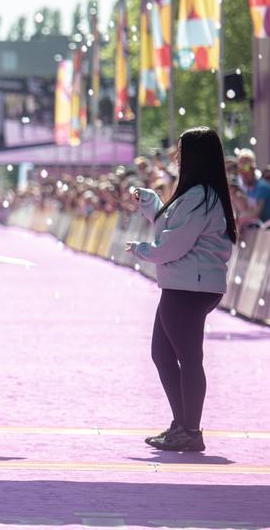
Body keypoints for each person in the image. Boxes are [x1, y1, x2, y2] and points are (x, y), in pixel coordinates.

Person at [126, 127, 237, 452]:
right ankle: (182, 425)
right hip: (184, 284)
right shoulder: (197, 195)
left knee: (188, 358)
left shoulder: (200, 196)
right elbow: (171, 226)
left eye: (181, 150)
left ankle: (190, 429)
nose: (176, 156)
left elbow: (172, 243)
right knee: (162, 354)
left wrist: (142, 250)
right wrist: (151, 204)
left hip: (189, 287)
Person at [235, 148, 270, 224]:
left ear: (253, 168)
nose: (243, 173)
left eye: (246, 167)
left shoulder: (262, 187)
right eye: (240, 168)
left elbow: (255, 213)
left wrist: (235, 220)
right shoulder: (247, 189)